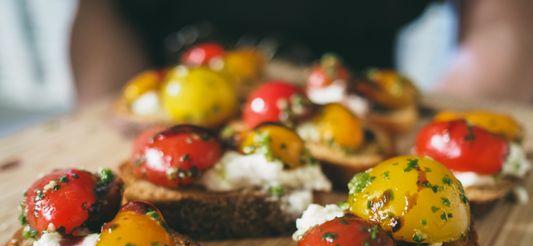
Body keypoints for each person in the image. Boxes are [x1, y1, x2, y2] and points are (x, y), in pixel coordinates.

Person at [70, 0, 533, 104]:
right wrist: (113, 115)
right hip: (172, 102)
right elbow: (105, 8)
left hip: (359, 110)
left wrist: (451, 146)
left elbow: (502, 18)